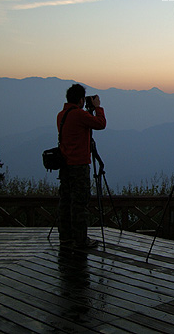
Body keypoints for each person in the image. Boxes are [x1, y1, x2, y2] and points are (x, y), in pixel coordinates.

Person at [58, 84, 107, 249]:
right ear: (80, 99)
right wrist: (98, 107)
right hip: (79, 165)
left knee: (65, 201)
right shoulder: (79, 115)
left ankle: (65, 237)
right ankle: (81, 240)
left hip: (64, 165)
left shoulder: (61, 115)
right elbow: (100, 124)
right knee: (79, 203)